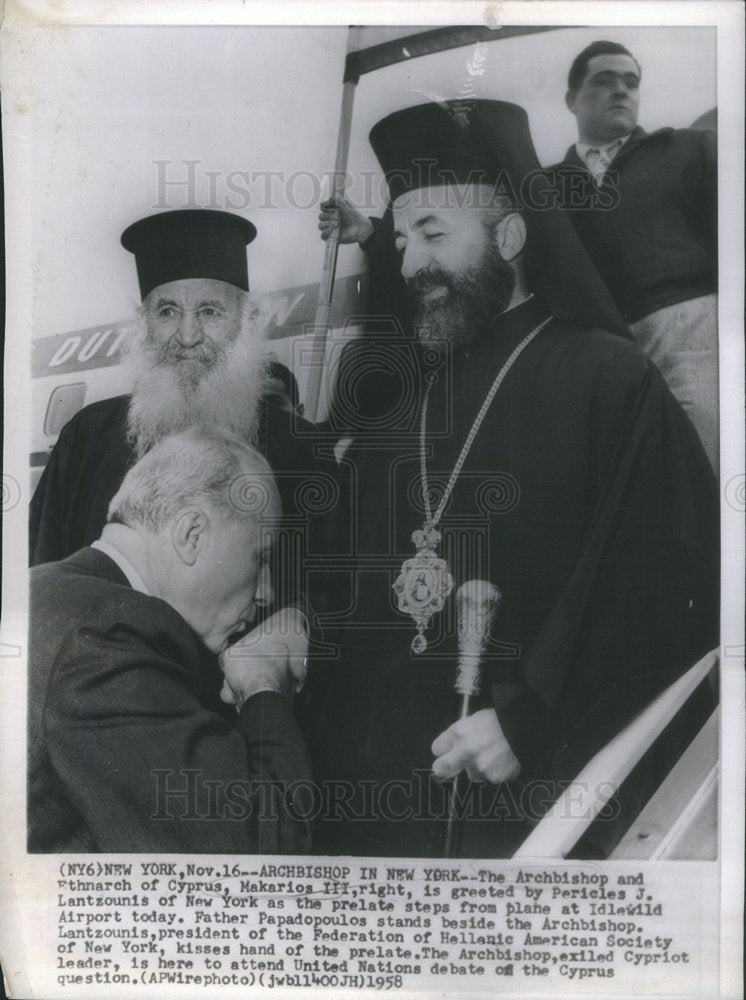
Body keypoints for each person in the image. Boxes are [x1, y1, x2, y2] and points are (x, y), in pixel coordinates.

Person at [308, 99, 718, 860]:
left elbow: (669, 584)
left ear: (513, 234)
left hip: (519, 792)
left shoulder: (607, 377)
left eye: (434, 234)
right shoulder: (403, 403)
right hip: (379, 794)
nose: (410, 263)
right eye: (401, 239)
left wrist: (526, 719)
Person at [28, 426, 311, 853]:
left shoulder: (45, 587)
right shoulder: (107, 636)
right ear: (192, 534)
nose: (266, 591)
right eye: (262, 557)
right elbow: (262, 853)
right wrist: (264, 685)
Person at [30, 209, 324, 567]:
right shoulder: (86, 436)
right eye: (167, 311)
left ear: (247, 321)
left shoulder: (298, 447)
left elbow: (324, 593)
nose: (187, 336)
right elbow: (39, 576)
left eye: (210, 312)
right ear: (144, 323)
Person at [555, 40, 718, 470]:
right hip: (598, 348)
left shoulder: (690, 148)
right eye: (604, 81)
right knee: (630, 478)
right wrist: (371, 235)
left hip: (690, 328)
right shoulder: (543, 184)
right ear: (572, 100)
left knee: (705, 460)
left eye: (631, 82)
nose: (621, 91)